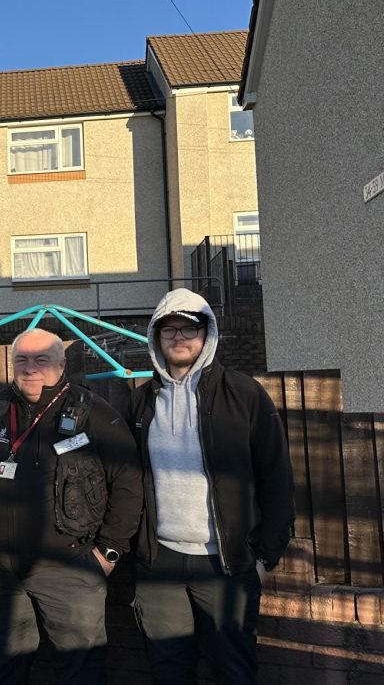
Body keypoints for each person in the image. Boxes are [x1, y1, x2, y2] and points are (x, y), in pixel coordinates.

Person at [0, 328, 142, 685]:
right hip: (2, 573)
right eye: (22, 359)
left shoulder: (94, 414)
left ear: (61, 364)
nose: (30, 368)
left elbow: (129, 485)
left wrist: (109, 552)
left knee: (81, 673)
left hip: (71, 568)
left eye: (42, 359)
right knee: (2, 670)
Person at [127, 288, 294, 684]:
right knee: (168, 670)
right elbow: (128, 481)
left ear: (207, 335)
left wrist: (265, 557)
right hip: (160, 560)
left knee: (233, 670)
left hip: (226, 562)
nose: (179, 338)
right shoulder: (140, 403)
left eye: (189, 328)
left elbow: (277, 476)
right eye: (169, 329)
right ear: (155, 337)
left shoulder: (244, 394)